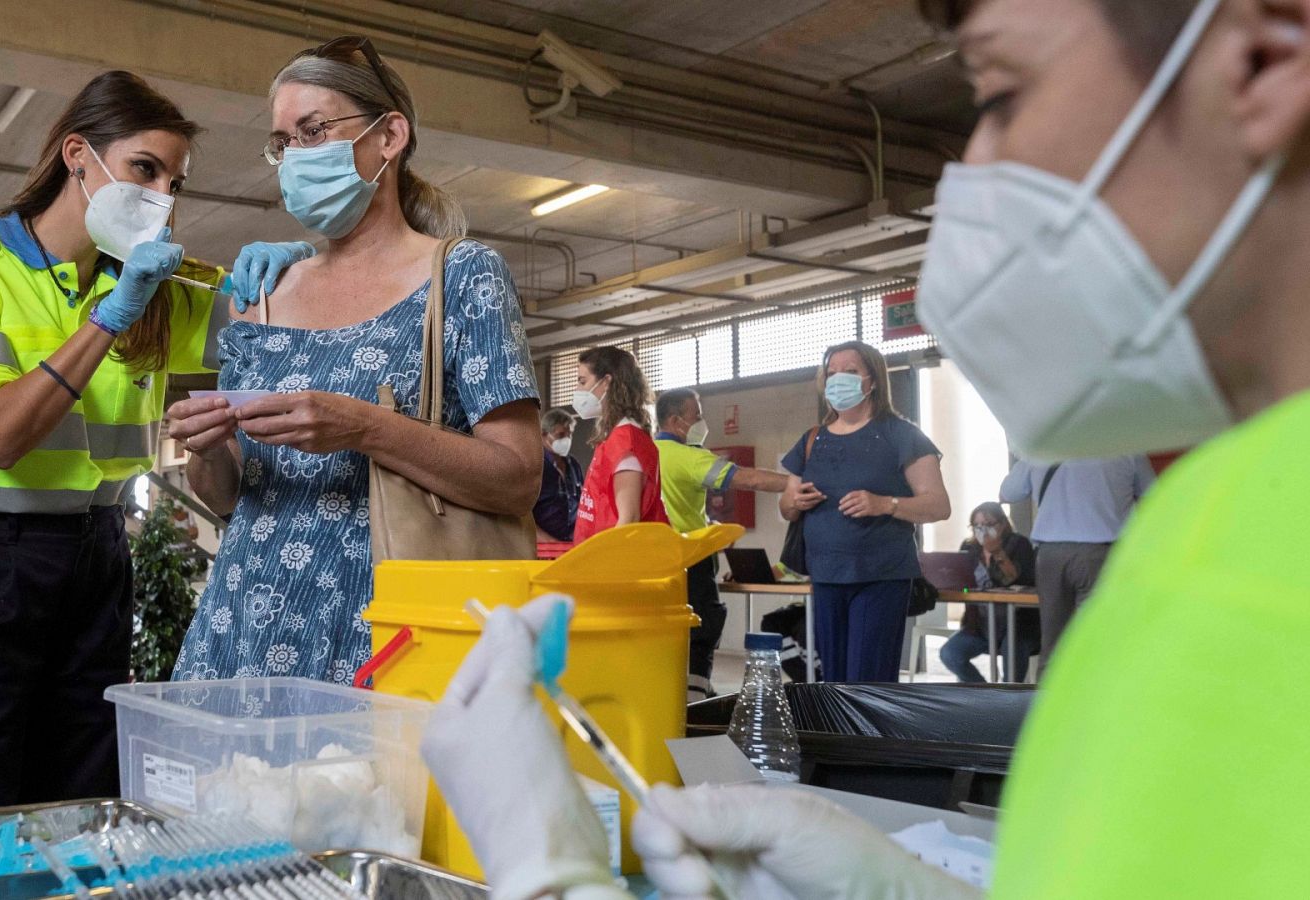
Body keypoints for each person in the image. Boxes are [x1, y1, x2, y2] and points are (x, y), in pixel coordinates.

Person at [427, 0, 1310, 896]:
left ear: (1264, 61)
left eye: (1000, 92)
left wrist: (552, 870)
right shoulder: (1214, 509)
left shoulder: (1259, 552)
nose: (972, 168)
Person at [0, 71, 307, 815]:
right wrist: (109, 316)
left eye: (175, 181)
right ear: (78, 154)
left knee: (83, 774)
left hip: (97, 554)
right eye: (145, 169)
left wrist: (295, 269)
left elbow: (282, 324)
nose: (161, 196)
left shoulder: (153, 287)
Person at [164, 35, 541, 685]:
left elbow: (516, 478)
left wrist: (366, 428)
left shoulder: (462, 277)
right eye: (283, 143)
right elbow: (227, 499)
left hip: (386, 635)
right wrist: (203, 450)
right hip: (240, 634)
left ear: (389, 136)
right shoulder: (262, 299)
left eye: (314, 131)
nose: (294, 158)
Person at [778, 341, 951, 682]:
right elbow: (786, 507)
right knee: (834, 678)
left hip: (880, 576)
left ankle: (869, 736)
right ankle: (843, 736)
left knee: (868, 678)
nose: (838, 379)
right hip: (826, 576)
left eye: (851, 371)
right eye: (832, 373)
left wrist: (886, 503)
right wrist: (794, 501)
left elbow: (939, 505)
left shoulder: (901, 435)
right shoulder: (812, 440)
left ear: (872, 381)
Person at [653, 387, 788, 697]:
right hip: (690, 560)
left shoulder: (645, 453)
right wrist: (793, 483)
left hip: (652, 562)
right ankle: (696, 696)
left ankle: (672, 693)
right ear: (676, 421)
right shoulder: (689, 457)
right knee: (703, 626)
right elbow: (748, 479)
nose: (702, 422)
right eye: (696, 416)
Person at [999, 456, 1154, 667]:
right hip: (1102, 556)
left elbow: (1008, 492)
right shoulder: (1127, 446)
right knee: (1101, 641)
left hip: (1051, 556)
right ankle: (1098, 697)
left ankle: (1049, 697)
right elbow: (1154, 494)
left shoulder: (1043, 447)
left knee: (1054, 645)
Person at [571, 346, 669, 542]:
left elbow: (629, 518)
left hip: (619, 564)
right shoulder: (614, 436)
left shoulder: (627, 441)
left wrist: (605, 563)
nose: (578, 390)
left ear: (607, 382)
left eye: (583, 382)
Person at [938, 502, 1040, 683]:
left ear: (1002, 524)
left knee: (1013, 656)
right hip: (981, 625)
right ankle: (984, 693)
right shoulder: (969, 548)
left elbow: (1022, 580)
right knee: (950, 653)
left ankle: (1008, 700)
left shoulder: (1019, 544)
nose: (982, 530)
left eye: (988, 524)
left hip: (1018, 625)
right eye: (977, 526)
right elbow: (962, 579)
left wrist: (997, 552)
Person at [533, 407, 584, 542]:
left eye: (570, 434)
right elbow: (523, 517)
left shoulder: (573, 465)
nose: (567, 440)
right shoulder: (536, 465)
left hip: (572, 544)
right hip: (545, 549)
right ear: (544, 435)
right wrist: (551, 543)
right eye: (561, 435)